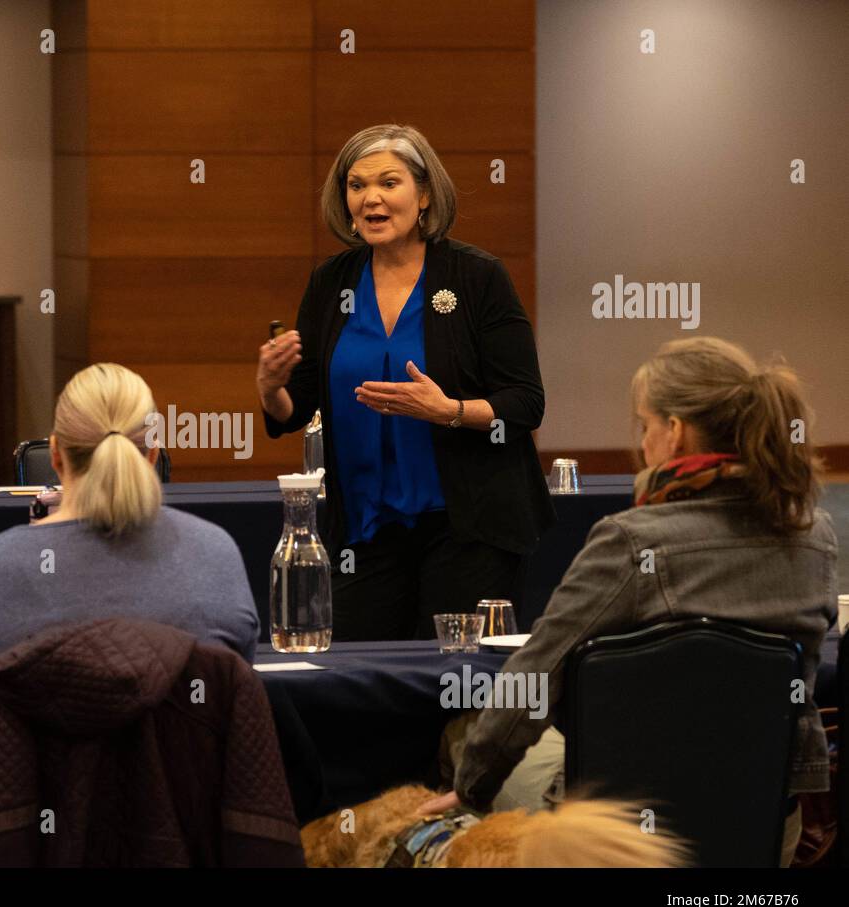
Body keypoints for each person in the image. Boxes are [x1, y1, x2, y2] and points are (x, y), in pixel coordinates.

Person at [422, 337, 837, 868]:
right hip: (764, 828)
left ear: (675, 431)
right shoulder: (815, 535)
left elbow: (533, 677)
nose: (642, 444)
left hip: (615, 841)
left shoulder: (631, 539)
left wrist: (472, 786)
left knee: (462, 735)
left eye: (644, 426)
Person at [257, 124, 554, 643]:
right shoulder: (333, 282)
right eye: (356, 185)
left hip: (469, 526)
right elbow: (297, 408)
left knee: (453, 688)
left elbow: (525, 403)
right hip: (366, 528)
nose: (370, 197)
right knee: (358, 680)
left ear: (423, 196)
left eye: (388, 183)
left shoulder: (476, 276)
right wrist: (270, 387)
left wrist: (451, 411)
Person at [0, 362, 259, 728]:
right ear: (154, 455)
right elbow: (233, 706)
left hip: (33, 787)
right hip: (188, 785)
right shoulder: (215, 556)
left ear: (56, 456)